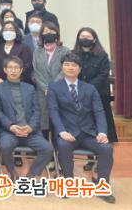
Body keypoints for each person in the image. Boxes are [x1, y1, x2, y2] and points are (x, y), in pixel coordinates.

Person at [48, 53, 115, 204]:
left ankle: (103, 186)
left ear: (79, 69)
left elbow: (99, 111)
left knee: (106, 148)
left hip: (88, 133)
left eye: (74, 65)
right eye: (67, 64)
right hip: (67, 133)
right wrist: (62, 131)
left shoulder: (90, 88)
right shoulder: (54, 88)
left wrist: (102, 132)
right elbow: (53, 111)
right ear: (62, 67)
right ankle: (68, 182)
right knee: (63, 146)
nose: (70, 67)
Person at [0, 56, 53, 180]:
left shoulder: (29, 88)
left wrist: (30, 127)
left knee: (48, 149)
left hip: (29, 132)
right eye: (10, 68)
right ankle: (12, 172)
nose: (13, 71)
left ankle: (31, 174)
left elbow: (36, 110)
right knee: (5, 146)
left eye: (16, 68)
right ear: (5, 70)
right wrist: (11, 126)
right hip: (9, 131)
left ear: (21, 70)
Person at [73, 27, 118, 142]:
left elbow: (103, 75)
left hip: (99, 93)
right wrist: (81, 89)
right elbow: (71, 72)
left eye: (88, 37)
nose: (85, 39)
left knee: (102, 120)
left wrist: (88, 88)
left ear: (94, 39)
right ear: (78, 38)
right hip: (78, 93)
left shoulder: (102, 55)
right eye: (82, 36)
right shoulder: (73, 54)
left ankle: (105, 145)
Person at [33, 22, 70, 133]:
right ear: (41, 34)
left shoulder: (64, 50)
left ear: (56, 33)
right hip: (42, 91)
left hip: (60, 89)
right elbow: (35, 71)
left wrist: (52, 88)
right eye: (45, 31)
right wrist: (45, 88)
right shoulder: (37, 51)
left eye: (51, 31)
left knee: (58, 120)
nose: (48, 33)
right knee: (43, 120)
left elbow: (65, 70)